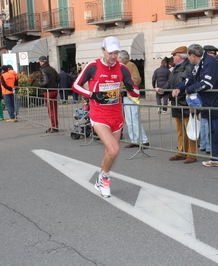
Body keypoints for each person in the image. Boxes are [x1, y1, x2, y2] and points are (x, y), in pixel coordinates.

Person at [72, 36, 140, 198]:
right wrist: (93, 95)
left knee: (110, 152)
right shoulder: (93, 66)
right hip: (99, 116)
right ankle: (105, 178)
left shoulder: (123, 69)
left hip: (116, 116)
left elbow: (136, 93)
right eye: (110, 53)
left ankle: (100, 178)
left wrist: (131, 87)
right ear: (103, 50)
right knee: (114, 149)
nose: (113, 56)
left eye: (116, 53)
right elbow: (75, 85)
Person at [174, 44, 218, 168]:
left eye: (188, 57)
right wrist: (179, 89)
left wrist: (189, 90)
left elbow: (207, 84)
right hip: (208, 103)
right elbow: (189, 79)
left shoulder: (211, 63)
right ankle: (216, 158)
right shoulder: (196, 65)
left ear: (193, 55)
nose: (188, 59)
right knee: (212, 132)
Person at [155, 46, 197, 164]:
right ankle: (181, 151)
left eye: (174, 55)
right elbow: (170, 82)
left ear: (179, 56)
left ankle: (192, 153)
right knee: (180, 130)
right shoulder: (176, 68)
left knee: (190, 129)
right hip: (177, 101)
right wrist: (163, 89)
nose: (172, 57)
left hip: (186, 101)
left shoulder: (189, 67)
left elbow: (186, 82)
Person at [118, 50, 149, 148]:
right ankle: (134, 139)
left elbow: (136, 79)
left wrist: (123, 87)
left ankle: (143, 140)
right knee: (129, 119)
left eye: (117, 58)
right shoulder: (123, 66)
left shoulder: (130, 65)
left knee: (134, 118)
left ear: (121, 58)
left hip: (131, 95)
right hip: (126, 95)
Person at [39, 55, 60, 133]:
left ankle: (53, 126)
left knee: (50, 109)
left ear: (41, 62)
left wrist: (39, 84)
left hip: (48, 91)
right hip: (54, 90)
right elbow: (59, 78)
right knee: (54, 109)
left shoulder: (43, 70)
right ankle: (55, 125)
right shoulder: (52, 69)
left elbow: (45, 82)